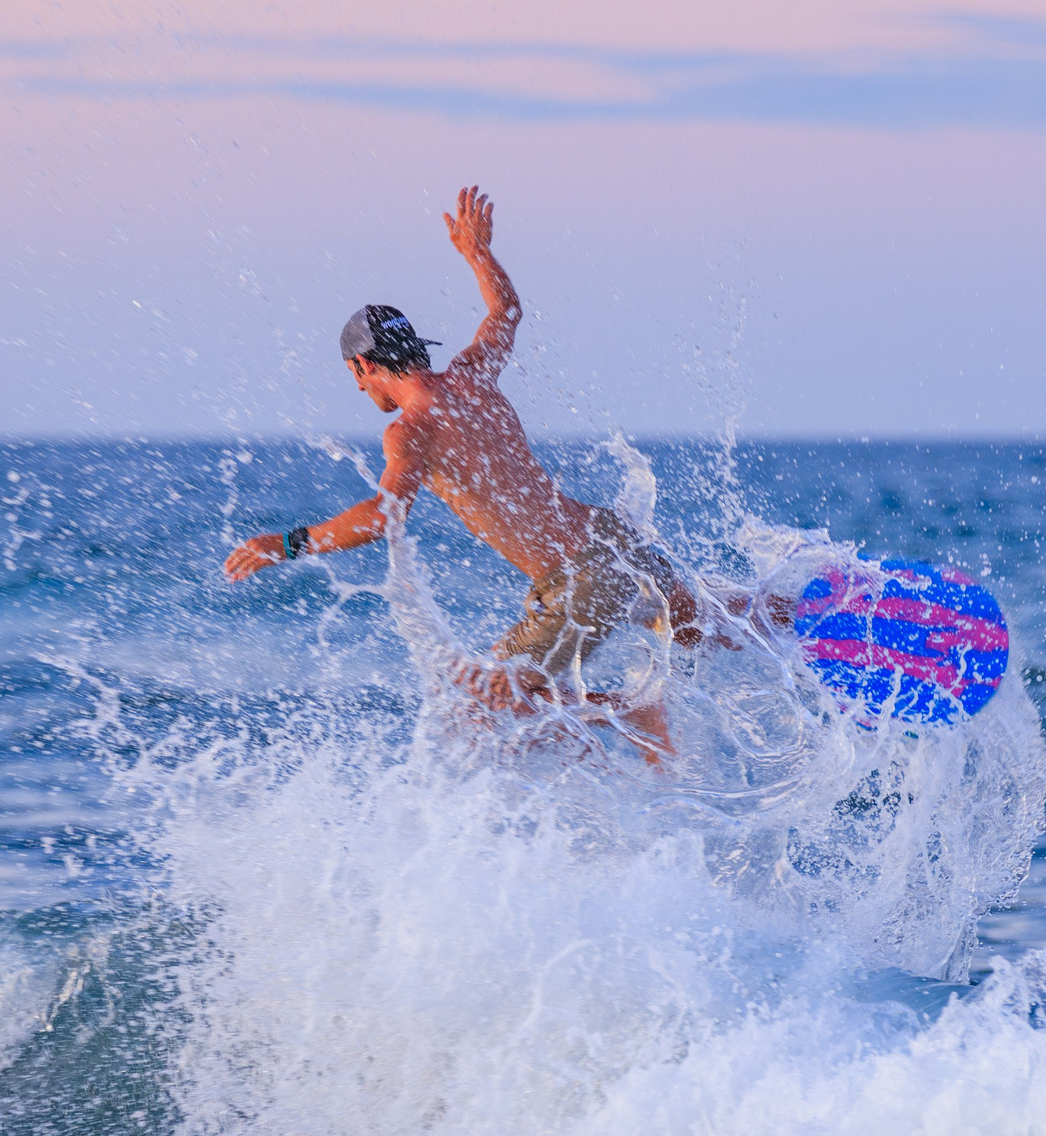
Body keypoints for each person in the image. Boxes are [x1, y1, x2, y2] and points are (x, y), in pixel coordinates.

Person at [222, 187, 701, 742]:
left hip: (577, 581)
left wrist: (285, 544)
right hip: (610, 537)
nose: (357, 388)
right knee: (714, 622)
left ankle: (630, 713)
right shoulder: (472, 376)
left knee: (490, 704)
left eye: (354, 375)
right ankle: (786, 614)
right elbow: (506, 312)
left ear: (363, 365)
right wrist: (477, 253)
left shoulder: (410, 430)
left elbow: (381, 517)